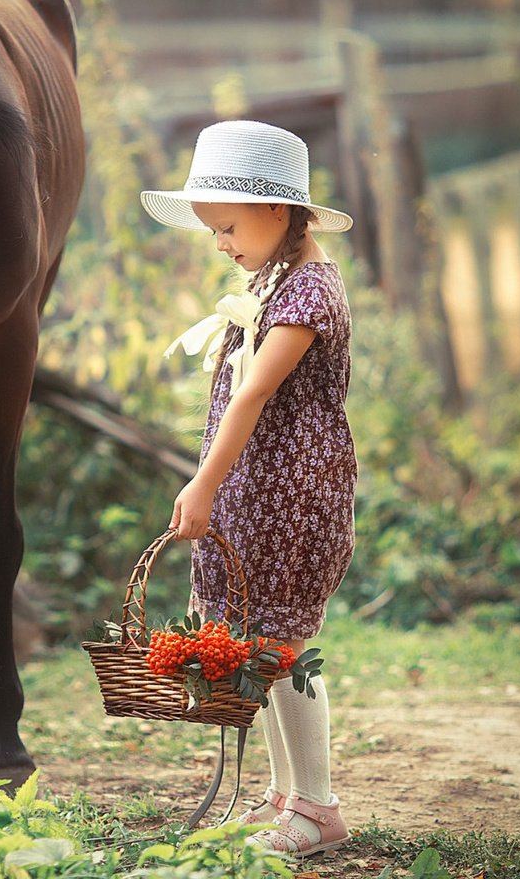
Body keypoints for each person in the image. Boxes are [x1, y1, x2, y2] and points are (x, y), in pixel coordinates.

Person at [140, 119, 357, 856]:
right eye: (213, 232)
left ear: (276, 211)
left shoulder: (309, 294)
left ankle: (319, 808)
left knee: (282, 647)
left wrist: (202, 484)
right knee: (256, 649)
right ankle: (284, 796)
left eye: (227, 227)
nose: (222, 244)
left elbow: (254, 395)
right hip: (258, 492)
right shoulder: (273, 280)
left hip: (292, 497)